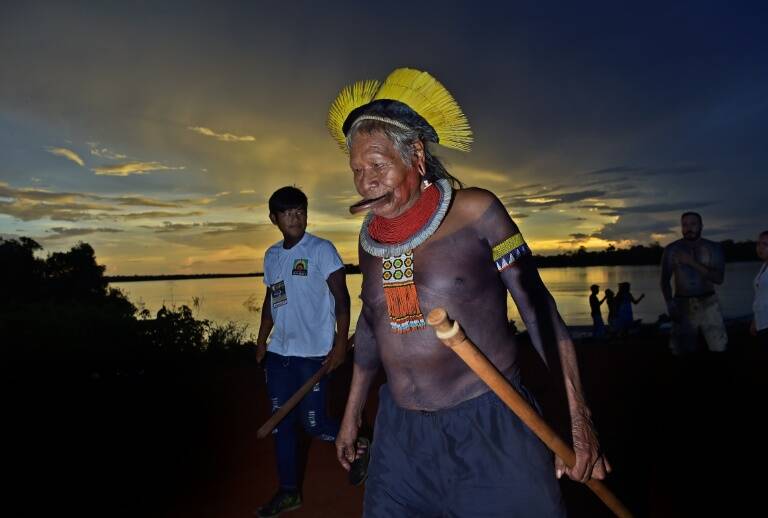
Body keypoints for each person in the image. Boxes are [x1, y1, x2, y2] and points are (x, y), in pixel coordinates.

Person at [328, 68, 609, 517]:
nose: (365, 182)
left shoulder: (478, 212)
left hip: (489, 424)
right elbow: (372, 323)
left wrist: (579, 421)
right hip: (400, 438)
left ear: (416, 155)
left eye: (377, 166)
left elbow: (539, 313)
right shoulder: (371, 240)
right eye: (357, 171)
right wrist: (351, 413)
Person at [254, 186, 351, 518]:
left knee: (314, 423)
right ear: (274, 218)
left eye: (300, 211)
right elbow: (271, 299)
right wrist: (261, 339)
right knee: (282, 425)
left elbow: (342, 298)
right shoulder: (271, 256)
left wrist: (340, 344)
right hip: (280, 355)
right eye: (287, 212)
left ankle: (363, 444)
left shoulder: (321, 250)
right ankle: (288, 492)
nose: (295, 217)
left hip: (313, 356)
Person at [660, 212, 727, 355]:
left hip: (709, 303)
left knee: (718, 347)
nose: (688, 228)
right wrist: (670, 304)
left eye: (693, 224)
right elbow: (664, 280)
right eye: (685, 225)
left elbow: (719, 279)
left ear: (701, 226)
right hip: (681, 304)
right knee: (682, 350)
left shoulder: (714, 248)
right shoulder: (671, 250)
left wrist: (691, 262)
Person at [751, 230, 768, 346]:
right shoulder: (764, 265)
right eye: (758, 244)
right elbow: (760, 297)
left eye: (765, 245)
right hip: (762, 322)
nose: (760, 248)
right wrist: (754, 321)